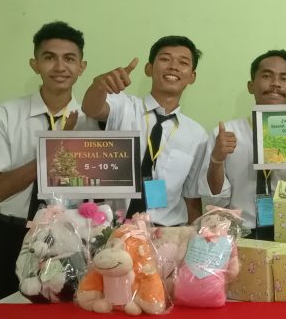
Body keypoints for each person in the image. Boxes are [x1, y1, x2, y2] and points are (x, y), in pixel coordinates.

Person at [0, 21, 95, 313]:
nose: (59, 66)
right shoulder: (6, 115)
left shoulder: (91, 123)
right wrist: (55, 148)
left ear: (82, 67)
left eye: (69, 58)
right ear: (34, 64)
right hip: (5, 235)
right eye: (49, 57)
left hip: (67, 241)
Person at [82, 35, 208, 227]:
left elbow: (191, 197)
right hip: (114, 228)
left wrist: (192, 236)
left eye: (183, 62)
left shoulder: (197, 135)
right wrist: (99, 86)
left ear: (192, 76)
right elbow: (91, 108)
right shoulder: (124, 106)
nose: (173, 67)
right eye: (165, 59)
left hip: (165, 232)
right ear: (149, 68)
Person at [202, 50, 286, 240]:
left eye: (284, 78)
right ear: (251, 86)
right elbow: (214, 199)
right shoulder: (224, 134)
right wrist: (216, 160)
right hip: (239, 238)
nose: (275, 83)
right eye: (267, 76)